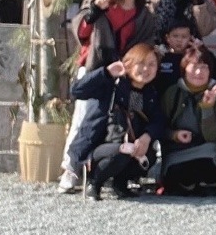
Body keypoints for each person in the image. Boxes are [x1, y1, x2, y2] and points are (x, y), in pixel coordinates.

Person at [59, 0, 157, 194]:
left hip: (127, 76)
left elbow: (145, 44)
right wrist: (96, 10)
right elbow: (81, 31)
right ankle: (71, 169)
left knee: (120, 121)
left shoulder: (145, 14)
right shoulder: (97, 3)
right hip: (97, 70)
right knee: (86, 119)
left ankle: (111, 173)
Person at [68, 43, 166, 201]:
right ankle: (95, 183)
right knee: (123, 152)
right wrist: (106, 73)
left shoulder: (150, 93)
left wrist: (147, 137)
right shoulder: (112, 85)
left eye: (151, 64)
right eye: (140, 63)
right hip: (100, 146)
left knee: (150, 156)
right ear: (129, 64)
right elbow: (76, 91)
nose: (146, 69)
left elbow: (158, 120)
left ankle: (120, 183)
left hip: (130, 145)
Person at [159, 47, 216, 195]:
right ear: (184, 69)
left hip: (207, 149)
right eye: (194, 67)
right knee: (179, 172)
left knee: (208, 164)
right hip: (177, 151)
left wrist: (207, 108)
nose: (199, 72)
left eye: (204, 67)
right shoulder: (173, 93)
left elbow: (215, 136)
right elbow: (159, 128)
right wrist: (174, 135)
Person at [154, 20, 194, 95]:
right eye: (175, 36)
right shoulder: (161, 56)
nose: (179, 40)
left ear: (190, 38)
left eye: (184, 36)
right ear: (167, 38)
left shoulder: (193, 58)